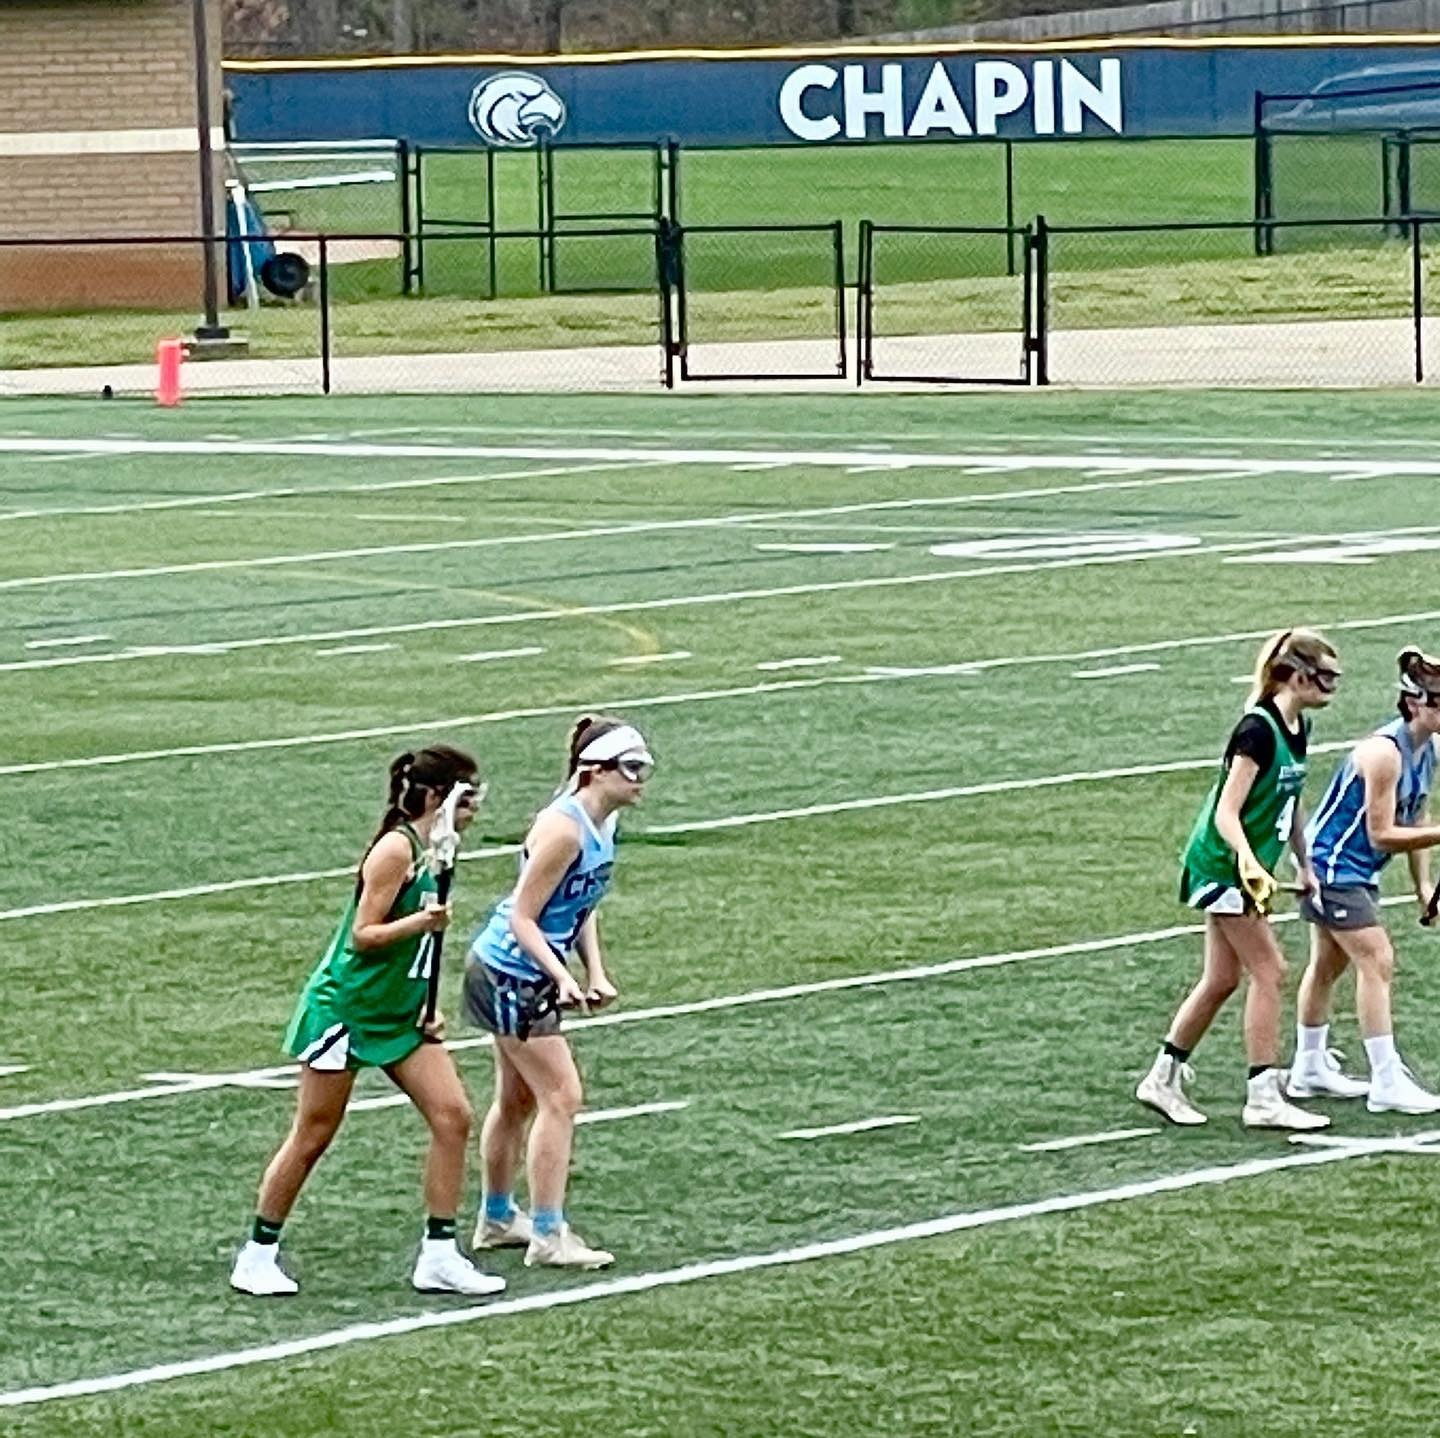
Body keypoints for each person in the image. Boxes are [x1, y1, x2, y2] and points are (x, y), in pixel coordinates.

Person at [230, 745, 504, 1298]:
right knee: (313, 1134)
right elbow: (364, 935)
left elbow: (421, 949)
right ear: (437, 797)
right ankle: (257, 1254)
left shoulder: (437, 850)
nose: (475, 808)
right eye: (467, 796)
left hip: (397, 1015)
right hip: (347, 1013)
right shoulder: (396, 849)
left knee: (452, 1116)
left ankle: (439, 1255)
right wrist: (420, 923)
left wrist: (425, 1001)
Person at [462, 715, 652, 1271]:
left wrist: (594, 971)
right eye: (631, 768)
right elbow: (522, 916)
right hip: (510, 973)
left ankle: (498, 1217)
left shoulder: (603, 823)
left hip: (526, 972)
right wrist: (561, 975)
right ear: (594, 771)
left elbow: (580, 903)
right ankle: (547, 1234)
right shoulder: (564, 830)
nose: (641, 780)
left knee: (518, 1100)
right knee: (562, 1096)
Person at [1136, 629, 1341, 1130]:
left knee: (1223, 978)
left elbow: (1290, 802)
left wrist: (1304, 863)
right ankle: (1263, 1095)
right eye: (1325, 676)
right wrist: (1248, 862)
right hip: (1223, 866)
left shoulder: (1298, 728)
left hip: (1245, 869)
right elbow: (1226, 812)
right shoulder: (1256, 731)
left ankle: (1162, 1077)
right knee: (1270, 970)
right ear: (1296, 676)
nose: (1332, 687)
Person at [1287, 646, 1440, 1114]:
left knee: (1329, 964)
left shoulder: (1429, 750)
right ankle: (1386, 1079)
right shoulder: (1384, 754)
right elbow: (1382, 833)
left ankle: (1308, 1068)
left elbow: (1416, 816)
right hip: (1332, 867)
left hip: (1353, 868)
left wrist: (1422, 886)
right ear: (1413, 703)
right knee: (1377, 958)